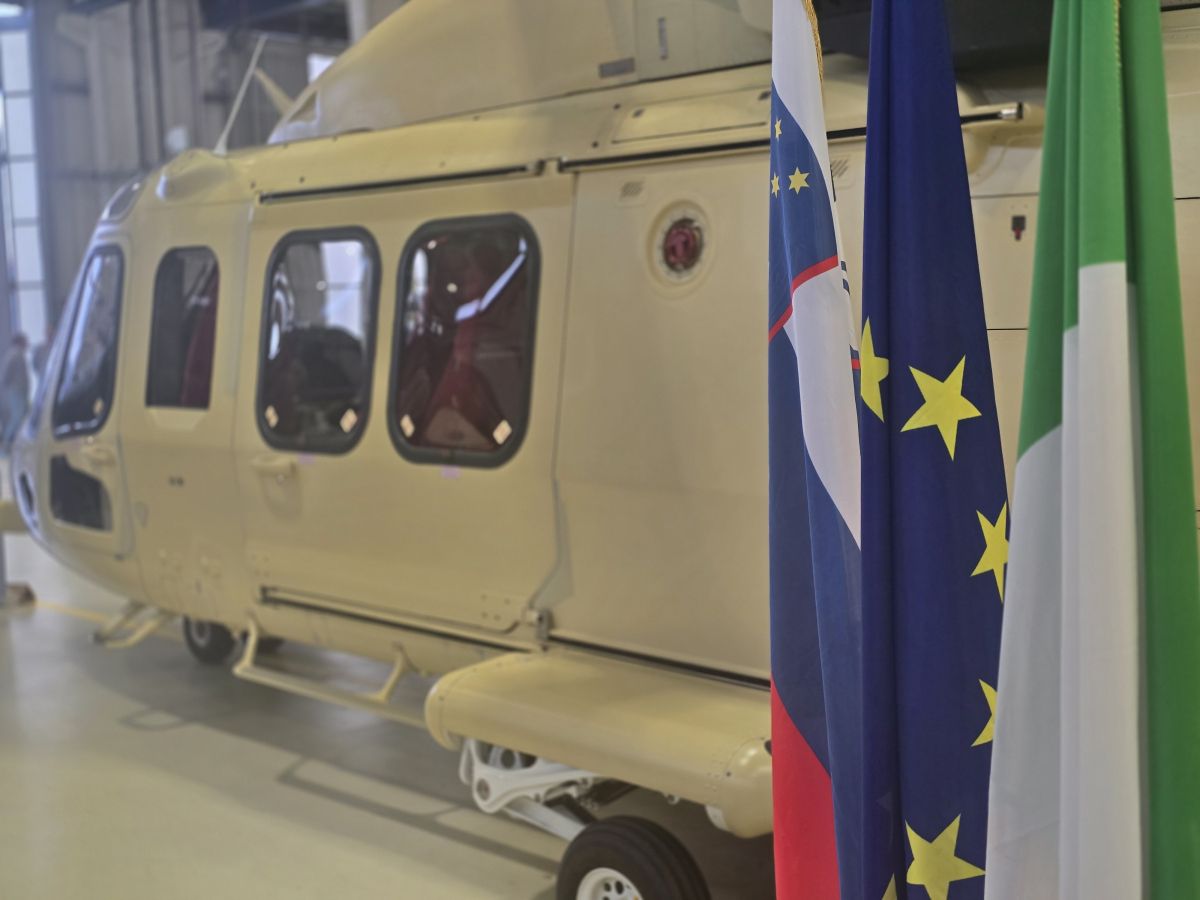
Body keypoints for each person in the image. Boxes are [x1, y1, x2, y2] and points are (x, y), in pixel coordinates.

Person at [0, 333, 30, 452]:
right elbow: (5, 375)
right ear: (20, 341)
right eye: (25, 341)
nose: (27, 344)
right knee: (17, 418)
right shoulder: (14, 354)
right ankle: (6, 443)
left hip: (19, 392)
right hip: (16, 392)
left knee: (20, 418)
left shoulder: (18, 354)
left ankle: (13, 444)